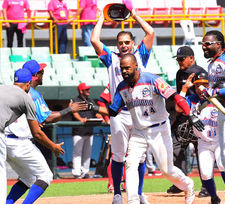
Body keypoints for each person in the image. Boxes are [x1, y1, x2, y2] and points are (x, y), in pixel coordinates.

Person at [94, 53, 205, 204]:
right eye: (121, 68)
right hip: (139, 131)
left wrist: (190, 114)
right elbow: (113, 111)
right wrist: (93, 107)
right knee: (131, 163)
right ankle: (133, 200)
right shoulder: (122, 87)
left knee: (167, 170)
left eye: (127, 68)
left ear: (135, 66)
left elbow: (176, 97)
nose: (124, 71)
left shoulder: (152, 80)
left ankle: (188, 185)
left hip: (158, 129)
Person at [91, 7, 154, 204]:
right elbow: (94, 40)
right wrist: (102, 17)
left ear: (133, 43)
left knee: (140, 156)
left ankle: (139, 192)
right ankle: (117, 193)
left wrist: (134, 14)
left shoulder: (140, 56)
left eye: (127, 42)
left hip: (140, 111)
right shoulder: (112, 58)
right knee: (118, 155)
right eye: (120, 43)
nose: (124, 45)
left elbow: (150, 32)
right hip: (118, 113)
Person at [0, 68, 65, 204]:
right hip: (17, 142)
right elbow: (37, 133)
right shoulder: (27, 97)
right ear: (28, 83)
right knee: (45, 175)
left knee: (25, 178)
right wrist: (53, 146)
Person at [6, 60, 87, 204]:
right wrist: (70, 109)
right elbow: (49, 118)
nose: (44, 73)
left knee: (28, 178)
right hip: (20, 142)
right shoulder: (33, 94)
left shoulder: (12, 90)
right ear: (36, 75)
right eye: (41, 71)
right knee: (46, 175)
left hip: (5, 141)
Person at [176, 72, 225, 204]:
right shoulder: (192, 99)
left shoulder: (217, 98)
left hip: (220, 140)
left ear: (209, 84)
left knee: (223, 166)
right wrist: (184, 89)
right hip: (203, 142)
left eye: (204, 84)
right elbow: (178, 107)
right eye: (197, 85)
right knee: (205, 174)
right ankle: (214, 197)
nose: (200, 88)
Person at [168, 46, 209, 197]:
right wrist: (176, 118)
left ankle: (206, 186)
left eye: (182, 58)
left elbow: (206, 96)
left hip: (199, 117)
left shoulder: (200, 72)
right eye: (178, 59)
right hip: (183, 117)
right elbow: (179, 97)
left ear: (191, 58)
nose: (179, 61)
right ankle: (180, 183)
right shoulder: (179, 73)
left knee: (202, 152)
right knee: (176, 150)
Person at [201, 30, 225, 203]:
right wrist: (209, 94)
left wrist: (217, 91)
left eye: (207, 43)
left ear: (219, 45)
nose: (204, 46)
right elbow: (214, 91)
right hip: (223, 112)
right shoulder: (211, 64)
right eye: (203, 43)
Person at [71, 82, 104, 178]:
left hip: (89, 130)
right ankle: (76, 172)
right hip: (79, 131)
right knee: (77, 152)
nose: (88, 91)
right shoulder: (75, 100)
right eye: (86, 89)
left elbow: (96, 112)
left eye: (88, 89)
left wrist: (100, 116)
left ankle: (85, 172)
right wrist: (81, 119)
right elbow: (74, 112)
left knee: (87, 153)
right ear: (81, 91)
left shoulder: (90, 100)